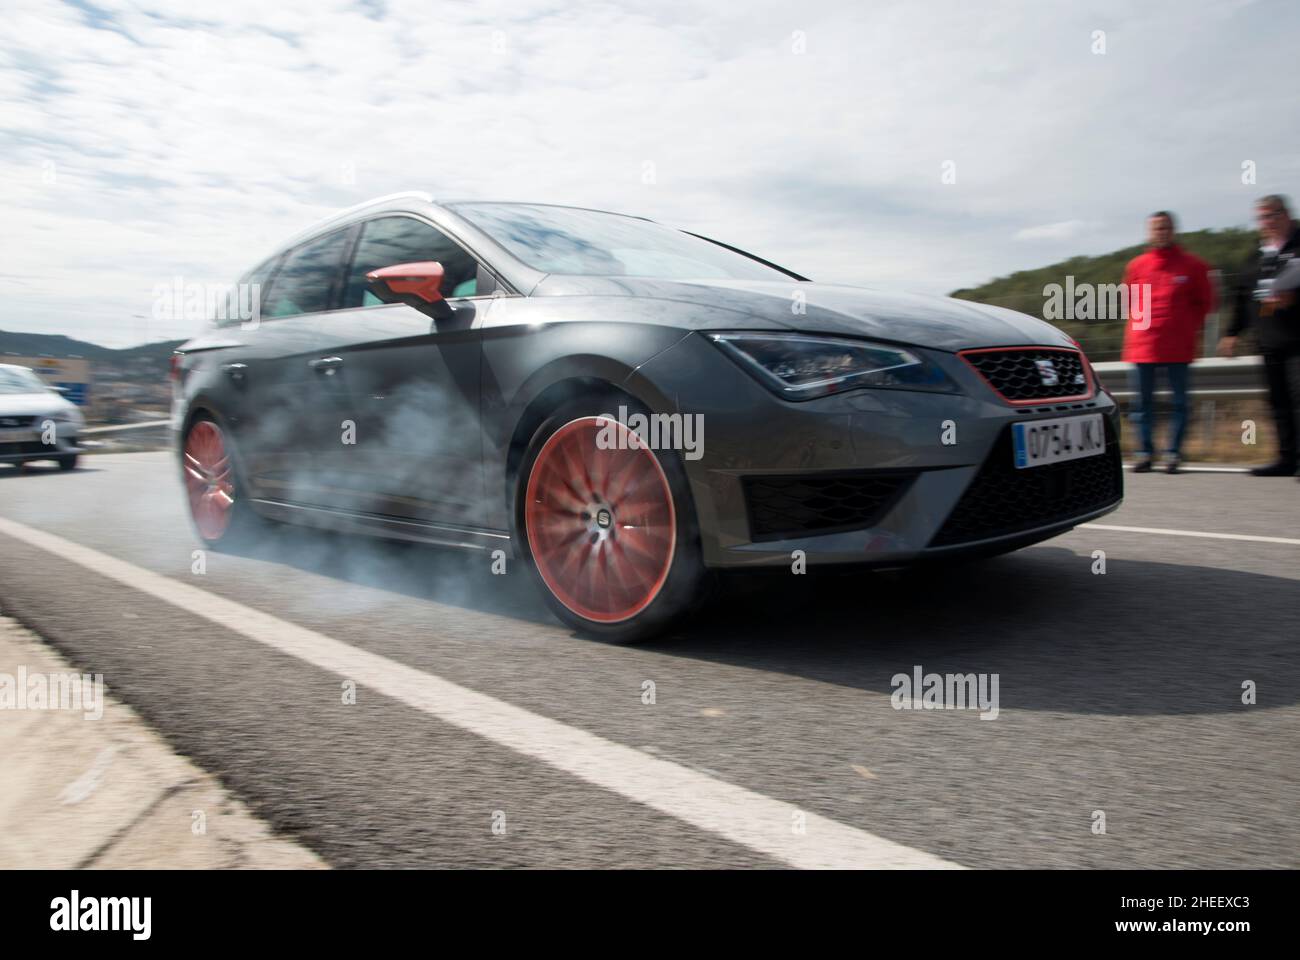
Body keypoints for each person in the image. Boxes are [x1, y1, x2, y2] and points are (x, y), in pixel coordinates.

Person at [1121, 211, 1215, 473]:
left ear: (1173, 231)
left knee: (1180, 403)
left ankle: (1173, 453)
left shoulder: (1194, 266)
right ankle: (1144, 453)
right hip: (1143, 346)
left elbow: (1204, 304)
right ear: (1149, 233)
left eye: (1165, 228)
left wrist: (1184, 328)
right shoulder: (1137, 266)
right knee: (1141, 405)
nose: (1161, 232)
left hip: (1179, 347)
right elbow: (1130, 302)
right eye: (1156, 228)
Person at [1219, 194, 1300, 478]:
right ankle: (1287, 459)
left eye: (1272, 215)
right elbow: (1243, 298)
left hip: (1297, 341)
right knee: (1278, 401)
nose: (1267, 222)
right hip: (1268, 342)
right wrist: (1231, 333)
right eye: (1262, 217)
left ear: (1287, 215)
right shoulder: (1257, 257)